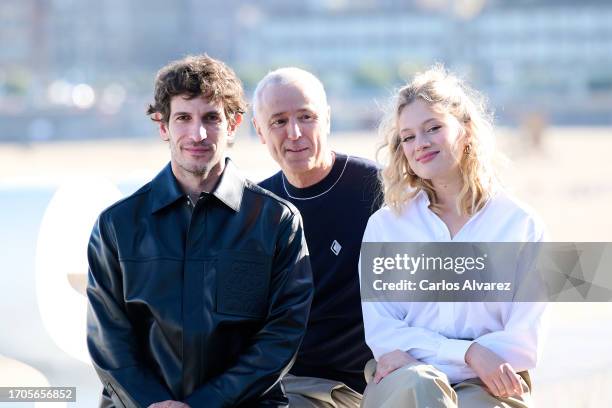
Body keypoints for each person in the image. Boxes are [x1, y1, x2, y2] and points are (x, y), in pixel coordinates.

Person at [86, 55, 313, 408]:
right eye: (183, 118)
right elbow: (109, 339)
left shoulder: (276, 221)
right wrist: (153, 403)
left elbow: (281, 337)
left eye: (211, 118)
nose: (198, 134)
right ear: (163, 126)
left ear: (234, 125)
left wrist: (204, 404)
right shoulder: (117, 225)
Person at [360, 65, 547, 408]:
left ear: (466, 131)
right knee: (421, 386)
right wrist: (471, 351)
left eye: (433, 128)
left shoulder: (519, 225)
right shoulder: (386, 226)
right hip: (406, 378)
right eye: (408, 136)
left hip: (490, 384)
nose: (421, 144)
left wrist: (442, 354)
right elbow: (383, 334)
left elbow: (523, 343)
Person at [252, 67, 382, 408]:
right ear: (260, 131)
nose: (294, 133)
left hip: (375, 379)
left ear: (326, 118)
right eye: (278, 121)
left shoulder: (378, 189)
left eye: (306, 117)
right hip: (291, 385)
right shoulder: (255, 210)